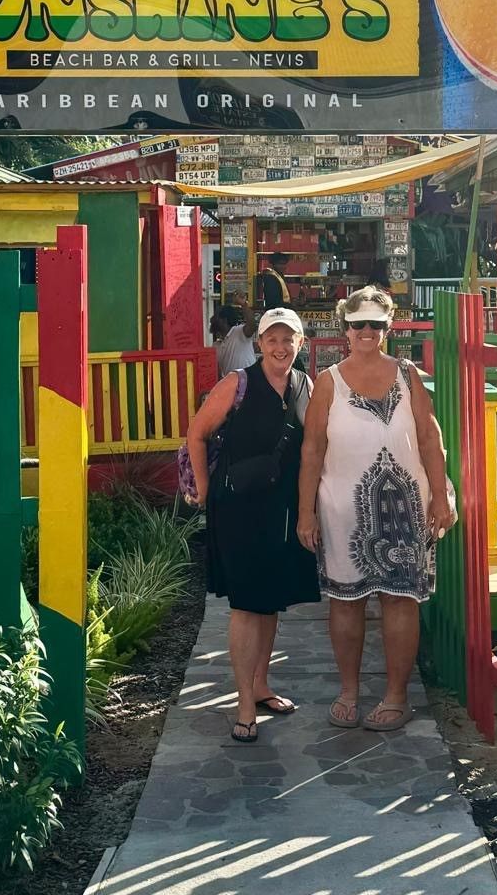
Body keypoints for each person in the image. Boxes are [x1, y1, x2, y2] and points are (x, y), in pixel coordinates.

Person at [297, 285, 456, 733]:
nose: (366, 331)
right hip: (342, 508)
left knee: (400, 598)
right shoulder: (328, 382)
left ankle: (397, 696)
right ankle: (348, 691)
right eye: (358, 324)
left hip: (405, 505)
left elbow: (429, 437)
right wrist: (305, 511)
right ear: (345, 328)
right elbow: (312, 450)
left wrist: (439, 495)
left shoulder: (408, 375)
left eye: (376, 324)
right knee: (346, 600)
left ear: (388, 328)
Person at [186, 307, 320, 744]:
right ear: (259, 343)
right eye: (272, 339)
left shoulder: (304, 386)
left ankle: (261, 685)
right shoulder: (237, 383)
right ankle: (245, 703)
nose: (280, 347)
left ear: (300, 343)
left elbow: (315, 446)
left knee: (269, 601)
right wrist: (204, 490)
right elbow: (197, 432)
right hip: (238, 508)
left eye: (288, 339)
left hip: (281, 509)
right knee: (246, 605)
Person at [210, 302, 257, 377]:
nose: (212, 320)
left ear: (224, 320)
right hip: (232, 383)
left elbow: (252, 325)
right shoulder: (216, 345)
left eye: (216, 317)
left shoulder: (239, 331)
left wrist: (244, 304)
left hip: (250, 382)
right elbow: (217, 372)